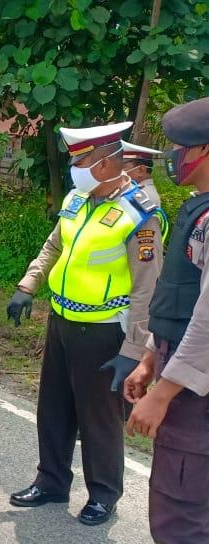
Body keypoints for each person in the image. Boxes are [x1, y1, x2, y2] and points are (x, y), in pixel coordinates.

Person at [7, 122, 167, 526]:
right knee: (54, 408)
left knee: (98, 418)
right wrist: (28, 285)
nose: (75, 167)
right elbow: (53, 245)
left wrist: (133, 351)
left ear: (105, 163)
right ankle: (51, 480)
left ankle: (103, 494)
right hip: (61, 321)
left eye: (81, 160)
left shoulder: (140, 213)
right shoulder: (78, 199)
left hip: (103, 331)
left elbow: (148, 288)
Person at [124, 97, 209, 543]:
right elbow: (181, 301)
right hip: (181, 367)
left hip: (196, 392)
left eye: (183, 146)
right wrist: (150, 360)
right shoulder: (198, 208)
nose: (174, 157)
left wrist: (163, 392)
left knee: (182, 520)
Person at [121, 140, 163, 206]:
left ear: (140, 170)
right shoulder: (138, 191)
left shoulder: (143, 195)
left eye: (123, 167)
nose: (119, 172)